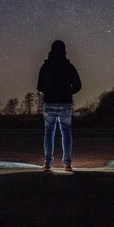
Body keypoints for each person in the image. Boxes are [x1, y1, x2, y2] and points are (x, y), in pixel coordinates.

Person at [37, 40, 82, 171]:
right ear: (64, 51)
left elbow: (39, 86)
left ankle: (47, 163)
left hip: (50, 102)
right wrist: (68, 92)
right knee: (66, 132)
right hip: (65, 103)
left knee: (49, 133)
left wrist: (49, 91)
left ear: (51, 50)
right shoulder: (69, 66)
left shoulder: (45, 66)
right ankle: (67, 164)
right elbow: (78, 85)